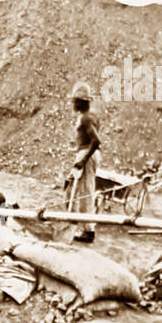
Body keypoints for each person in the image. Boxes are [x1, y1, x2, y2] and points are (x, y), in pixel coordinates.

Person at [69, 93, 100, 243]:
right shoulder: (90, 116)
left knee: (86, 192)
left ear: (81, 103)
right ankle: (74, 219)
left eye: (75, 101)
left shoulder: (86, 118)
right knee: (72, 187)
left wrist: (83, 160)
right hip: (86, 153)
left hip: (86, 154)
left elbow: (96, 141)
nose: (73, 104)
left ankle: (89, 231)